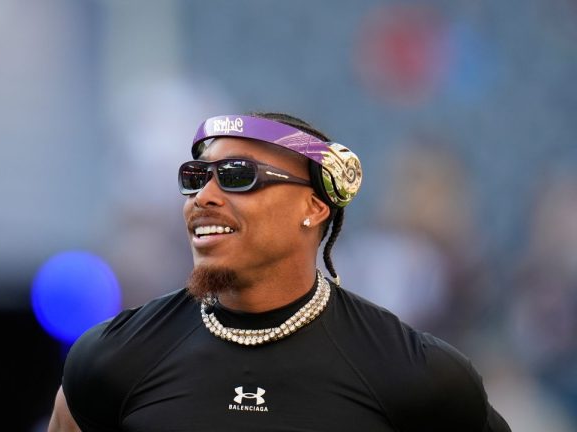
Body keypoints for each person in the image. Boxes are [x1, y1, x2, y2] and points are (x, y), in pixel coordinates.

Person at [48, 113, 510, 432]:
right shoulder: (111, 360)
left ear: (313, 207)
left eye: (237, 176)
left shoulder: (415, 374)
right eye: (195, 178)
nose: (203, 197)